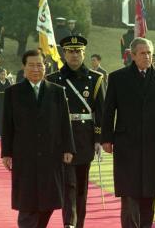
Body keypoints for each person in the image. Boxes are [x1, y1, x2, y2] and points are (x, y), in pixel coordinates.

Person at [101, 37, 155, 228]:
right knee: (129, 193)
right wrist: (106, 138)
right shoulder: (118, 78)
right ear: (133, 55)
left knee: (149, 194)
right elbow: (108, 109)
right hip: (127, 144)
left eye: (150, 53)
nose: (147, 56)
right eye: (143, 53)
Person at [1, 49, 75, 228]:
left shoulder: (57, 91)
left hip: (51, 153)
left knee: (47, 201)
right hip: (24, 154)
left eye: (40, 65)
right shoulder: (13, 92)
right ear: (24, 68)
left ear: (46, 67)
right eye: (31, 65)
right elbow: (7, 126)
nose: (36, 69)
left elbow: (65, 122)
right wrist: (6, 153)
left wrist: (68, 148)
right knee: (27, 202)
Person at [46, 35, 105, 228]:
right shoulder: (53, 79)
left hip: (84, 137)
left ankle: (79, 223)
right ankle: (68, 223)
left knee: (81, 184)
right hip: (62, 137)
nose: (74, 55)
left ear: (84, 53)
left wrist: (98, 138)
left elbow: (100, 111)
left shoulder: (95, 79)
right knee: (68, 182)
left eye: (78, 51)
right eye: (70, 51)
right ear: (64, 53)